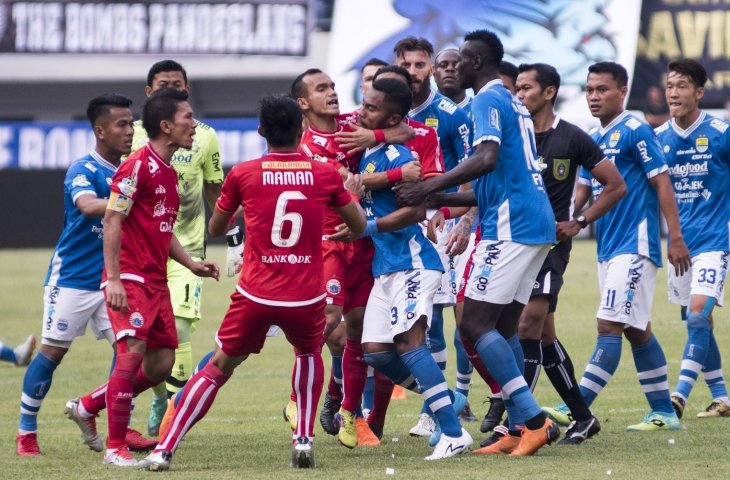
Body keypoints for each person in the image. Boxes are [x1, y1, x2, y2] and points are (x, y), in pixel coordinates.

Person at [138, 94, 366, 471]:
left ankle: (164, 449)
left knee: (219, 366)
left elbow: (216, 228)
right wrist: (350, 200)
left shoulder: (243, 174)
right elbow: (355, 226)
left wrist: (248, 204)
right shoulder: (324, 174)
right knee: (308, 354)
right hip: (305, 294)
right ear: (302, 129)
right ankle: (303, 438)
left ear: (261, 131)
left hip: (256, 292)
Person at [396, 29, 560, 457]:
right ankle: (518, 425)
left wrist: (433, 183)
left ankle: (534, 420)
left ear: (474, 63)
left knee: (473, 324)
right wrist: (436, 196)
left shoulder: (487, 99)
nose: (453, 67)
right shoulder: (512, 102)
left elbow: (484, 159)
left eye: (461, 59)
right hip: (533, 222)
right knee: (502, 327)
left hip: (510, 226)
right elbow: (494, 180)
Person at [65, 88, 219, 467]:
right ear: (166, 126)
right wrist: (113, 279)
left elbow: (161, 230)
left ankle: (88, 405)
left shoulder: (167, 171)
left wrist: (191, 264)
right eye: (187, 118)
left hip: (156, 281)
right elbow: (112, 218)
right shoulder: (136, 166)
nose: (193, 125)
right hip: (130, 278)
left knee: (161, 363)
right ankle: (115, 448)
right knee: (132, 355)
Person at [544, 61, 691, 432]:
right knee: (635, 328)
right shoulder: (595, 136)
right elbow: (582, 188)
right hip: (607, 246)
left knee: (608, 324)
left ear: (622, 91)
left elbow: (662, 183)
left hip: (636, 243)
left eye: (602, 90)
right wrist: (565, 219)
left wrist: (674, 237)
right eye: (590, 90)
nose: (594, 96)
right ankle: (664, 411)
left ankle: (575, 405)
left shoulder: (635, 129)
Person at [331, 77, 473, 460]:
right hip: (386, 268)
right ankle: (446, 399)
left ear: (391, 117)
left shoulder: (396, 154)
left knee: (411, 344)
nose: (362, 112)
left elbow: (415, 209)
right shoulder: (368, 152)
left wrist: (368, 225)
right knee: (375, 350)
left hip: (413, 262)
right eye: (363, 104)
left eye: (372, 108)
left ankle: (453, 432)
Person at [288, 68, 416, 448]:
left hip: (363, 241)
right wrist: (399, 173)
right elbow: (343, 184)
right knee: (328, 322)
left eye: (332, 86)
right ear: (303, 103)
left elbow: (407, 131)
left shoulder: (350, 124)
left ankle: (347, 411)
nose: (332, 93)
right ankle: (296, 399)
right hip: (327, 242)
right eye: (321, 88)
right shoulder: (305, 145)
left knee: (360, 327)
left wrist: (373, 135)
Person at [510, 62, 626, 445]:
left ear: (549, 92)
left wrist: (579, 221)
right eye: (517, 88)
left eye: (526, 88)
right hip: (515, 248)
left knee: (526, 325)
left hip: (550, 249)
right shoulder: (515, 137)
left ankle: (520, 425)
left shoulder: (573, 138)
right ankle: (582, 417)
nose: (520, 95)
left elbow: (614, 185)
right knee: (543, 337)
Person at [15, 94, 133, 457]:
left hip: (111, 278)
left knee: (129, 352)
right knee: (51, 354)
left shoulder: (129, 169)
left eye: (132, 124)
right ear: (100, 130)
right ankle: (26, 432)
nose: (130, 132)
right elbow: (87, 206)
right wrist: (131, 199)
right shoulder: (82, 169)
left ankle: (113, 426)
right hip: (71, 280)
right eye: (121, 125)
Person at [131, 60, 225, 438]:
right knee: (150, 340)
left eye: (179, 86)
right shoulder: (133, 135)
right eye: (164, 85)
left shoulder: (204, 136)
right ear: (149, 92)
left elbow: (216, 191)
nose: (173, 90)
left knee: (181, 330)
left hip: (186, 246)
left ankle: (170, 410)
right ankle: (159, 396)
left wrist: (232, 238)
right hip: (142, 253)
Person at [394, 36, 472, 438]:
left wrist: (459, 216)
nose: (413, 72)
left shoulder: (451, 114)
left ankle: (442, 405)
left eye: (420, 64)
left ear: (430, 67)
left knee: (447, 319)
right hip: (400, 229)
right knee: (417, 321)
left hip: (443, 225)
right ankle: (447, 401)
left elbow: (476, 171)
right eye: (406, 64)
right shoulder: (388, 118)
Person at [655, 59, 730, 419]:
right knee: (696, 321)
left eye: (682, 85)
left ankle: (678, 396)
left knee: (698, 317)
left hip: (715, 241)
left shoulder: (720, 132)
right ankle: (722, 397)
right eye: (670, 85)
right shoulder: (658, 139)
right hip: (678, 247)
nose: (674, 92)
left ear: (699, 92)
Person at [434, 46, 479, 422]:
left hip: (464, 218)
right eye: (442, 65)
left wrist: (464, 216)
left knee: (465, 317)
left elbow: (476, 172)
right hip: (428, 220)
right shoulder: (413, 111)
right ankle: (434, 404)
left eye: (455, 65)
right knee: (429, 315)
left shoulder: (469, 114)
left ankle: (461, 393)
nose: (449, 70)